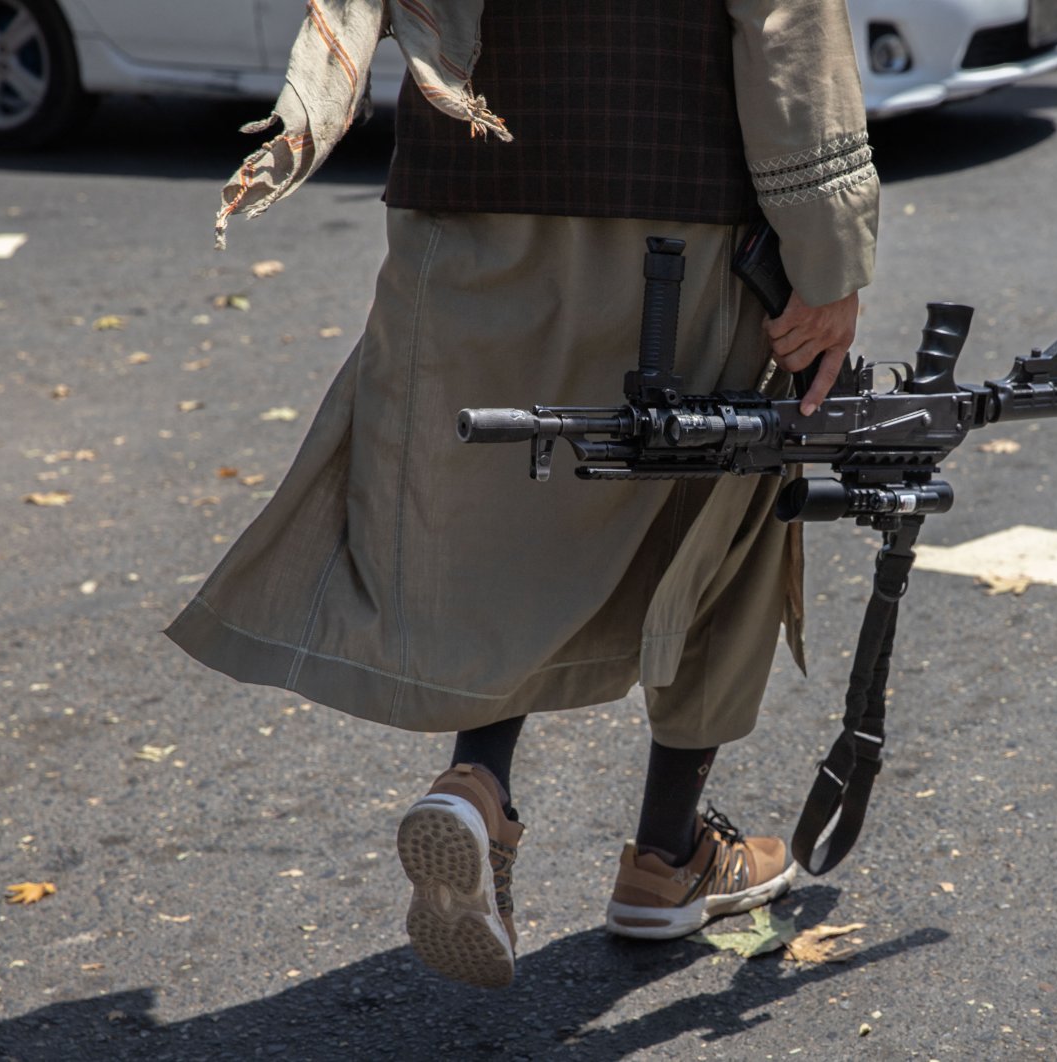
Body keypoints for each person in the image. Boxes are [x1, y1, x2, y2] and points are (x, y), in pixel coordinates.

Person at [166, 0, 878, 990]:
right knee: (722, 516)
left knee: (502, 511)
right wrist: (829, 252)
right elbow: (786, 24)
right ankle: (666, 861)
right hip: (676, 194)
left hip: (462, 195)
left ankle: (478, 787)